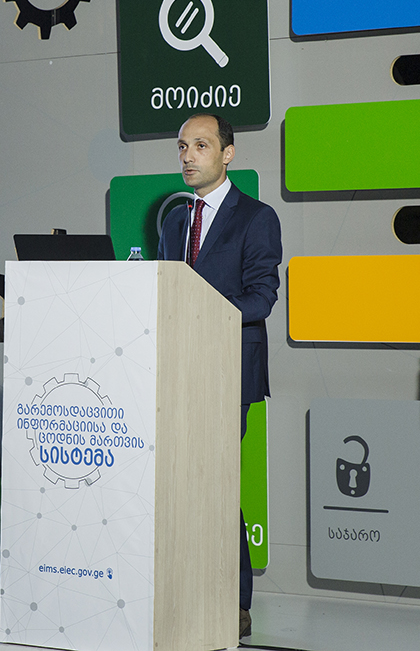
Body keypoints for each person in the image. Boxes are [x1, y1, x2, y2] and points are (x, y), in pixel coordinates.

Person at [157, 113, 283, 639]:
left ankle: (235, 601)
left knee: (214, 488)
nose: (188, 156)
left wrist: (200, 313)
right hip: (174, 375)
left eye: (201, 145)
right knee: (177, 489)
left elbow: (262, 297)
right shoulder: (173, 222)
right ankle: (181, 593)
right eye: (182, 146)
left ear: (228, 154)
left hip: (226, 373)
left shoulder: (256, 217)